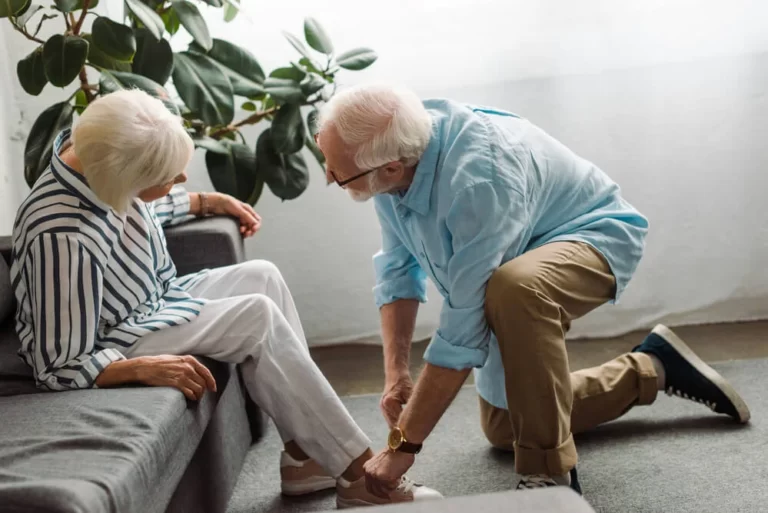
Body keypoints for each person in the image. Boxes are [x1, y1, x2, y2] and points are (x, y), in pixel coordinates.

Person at [9, 89, 442, 509]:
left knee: (262, 277)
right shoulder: (61, 236)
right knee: (255, 317)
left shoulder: (89, 151)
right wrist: (135, 368)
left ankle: (303, 457)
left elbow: (134, 200)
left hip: (153, 298)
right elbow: (57, 362)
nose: (179, 179)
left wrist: (204, 201)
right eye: (170, 177)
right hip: (117, 336)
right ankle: (357, 475)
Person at [314, 84, 751, 496]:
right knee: (507, 429)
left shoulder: (477, 179)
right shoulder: (395, 164)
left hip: (595, 236)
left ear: (391, 166)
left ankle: (550, 477)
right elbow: (398, 269)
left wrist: (401, 446)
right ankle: (653, 368)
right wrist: (397, 377)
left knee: (513, 289)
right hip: (514, 259)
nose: (330, 177)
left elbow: (463, 329)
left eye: (337, 171)